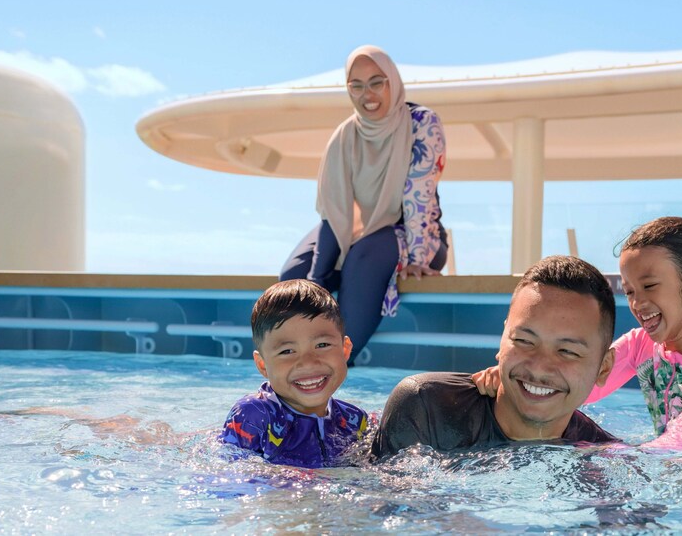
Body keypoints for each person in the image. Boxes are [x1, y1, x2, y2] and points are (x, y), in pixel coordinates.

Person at [474, 217, 682, 452]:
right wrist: (516, 382)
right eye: (629, 291)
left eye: (649, 286)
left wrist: (605, 452)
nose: (638, 303)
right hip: (669, 462)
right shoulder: (640, 344)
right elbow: (580, 385)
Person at [280, 45, 448, 366]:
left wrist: (417, 259)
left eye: (376, 82)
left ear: (392, 82)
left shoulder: (421, 123)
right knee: (294, 277)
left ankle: (336, 365)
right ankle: (294, 369)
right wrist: (315, 282)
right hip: (356, 229)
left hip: (418, 235)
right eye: (356, 85)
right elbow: (334, 213)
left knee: (363, 257)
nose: (367, 94)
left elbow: (418, 197)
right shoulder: (345, 136)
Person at [370, 255, 620, 459]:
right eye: (524, 341)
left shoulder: (600, 457)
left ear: (604, 368)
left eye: (567, 351)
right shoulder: (427, 407)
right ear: (502, 339)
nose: (539, 367)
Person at [219, 279, 369, 468]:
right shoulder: (255, 416)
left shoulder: (355, 421)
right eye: (287, 351)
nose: (308, 362)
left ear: (345, 349)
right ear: (262, 365)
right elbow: (228, 475)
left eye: (322, 345)